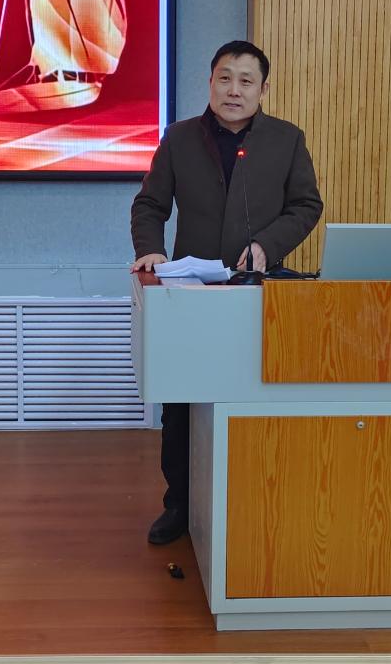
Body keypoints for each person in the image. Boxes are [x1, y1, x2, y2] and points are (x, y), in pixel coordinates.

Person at [130, 41, 323, 544]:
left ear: (263, 90)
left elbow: (306, 205)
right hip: (189, 295)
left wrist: (266, 245)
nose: (234, 90)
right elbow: (149, 205)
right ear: (211, 82)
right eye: (225, 78)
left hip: (258, 294)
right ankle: (179, 504)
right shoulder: (179, 138)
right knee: (181, 402)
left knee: (254, 398)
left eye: (246, 81)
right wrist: (151, 250)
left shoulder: (286, 140)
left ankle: (256, 502)